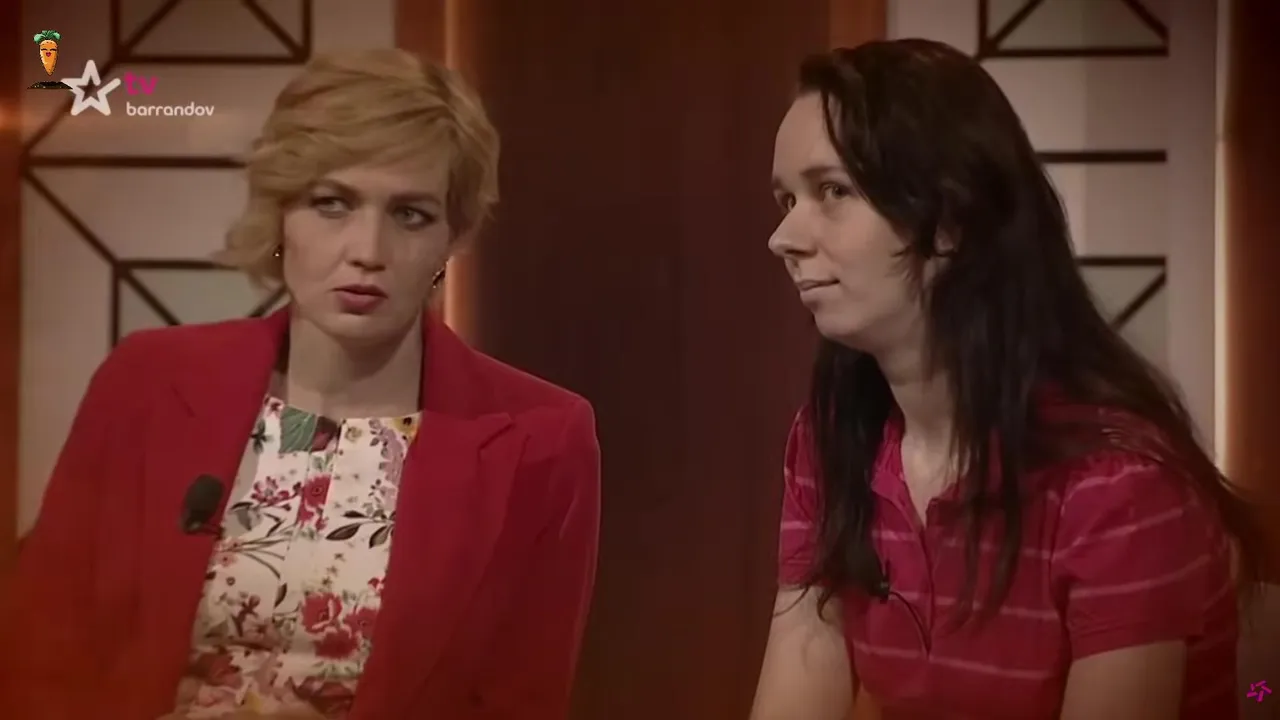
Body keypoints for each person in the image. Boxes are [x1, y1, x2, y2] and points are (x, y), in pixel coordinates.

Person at [0, 49, 601, 720]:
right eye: (332, 204)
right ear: (281, 216)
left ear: (452, 239)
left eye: (410, 214)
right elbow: (40, 656)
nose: (368, 251)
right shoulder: (149, 381)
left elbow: (521, 703)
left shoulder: (543, 438)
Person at [751, 39, 1264, 720]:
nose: (784, 237)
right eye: (786, 199)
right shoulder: (830, 438)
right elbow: (799, 677)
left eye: (832, 191)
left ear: (949, 222)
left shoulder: (1116, 480)